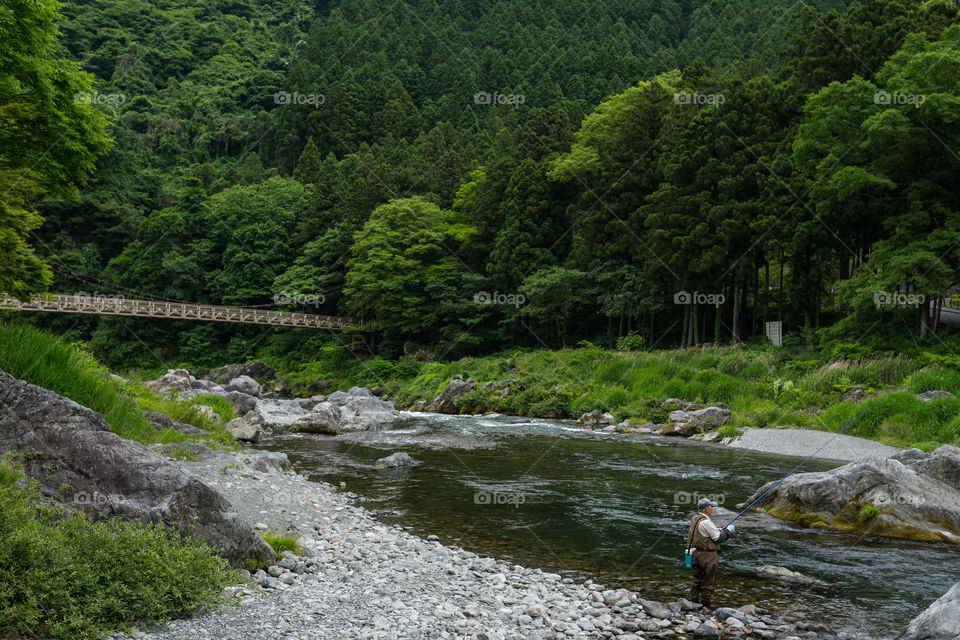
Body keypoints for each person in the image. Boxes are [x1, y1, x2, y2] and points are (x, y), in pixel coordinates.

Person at [688, 497, 733, 609]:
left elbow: (704, 533)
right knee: (708, 580)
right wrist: (728, 531)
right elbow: (719, 539)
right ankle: (705, 606)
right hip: (708, 556)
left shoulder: (695, 519)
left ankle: (694, 602)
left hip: (697, 554)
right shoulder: (707, 522)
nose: (712, 509)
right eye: (711, 507)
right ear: (707, 509)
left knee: (697, 578)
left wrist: (718, 529)